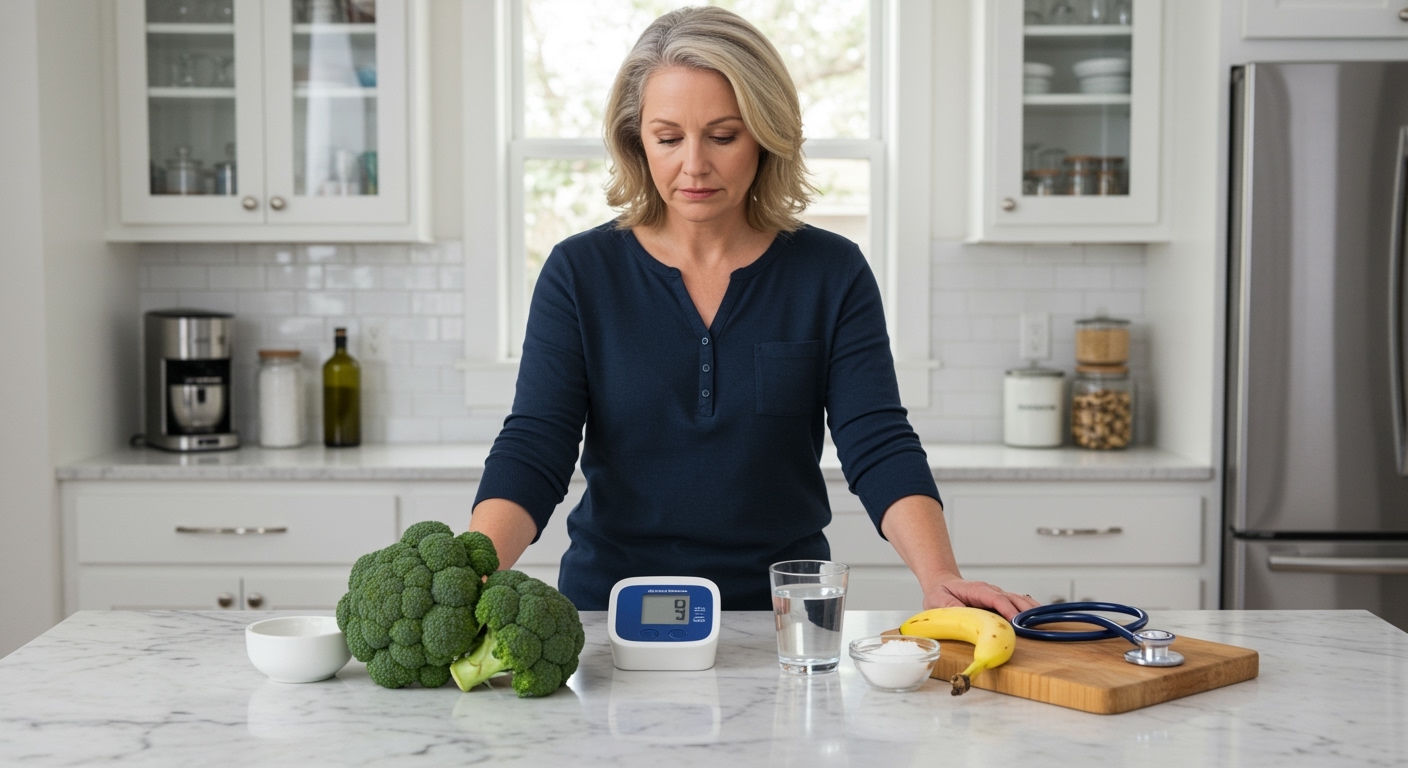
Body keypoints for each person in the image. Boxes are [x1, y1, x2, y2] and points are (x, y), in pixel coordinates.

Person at [469, 6, 1039, 619]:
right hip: (611, 614)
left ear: (766, 135)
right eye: (668, 138)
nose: (694, 164)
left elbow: (877, 441)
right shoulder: (579, 272)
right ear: (637, 140)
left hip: (784, 621)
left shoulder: (831, 271)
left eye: (723, 135)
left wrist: (939, 577)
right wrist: (467, 578)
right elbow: (537, 444)